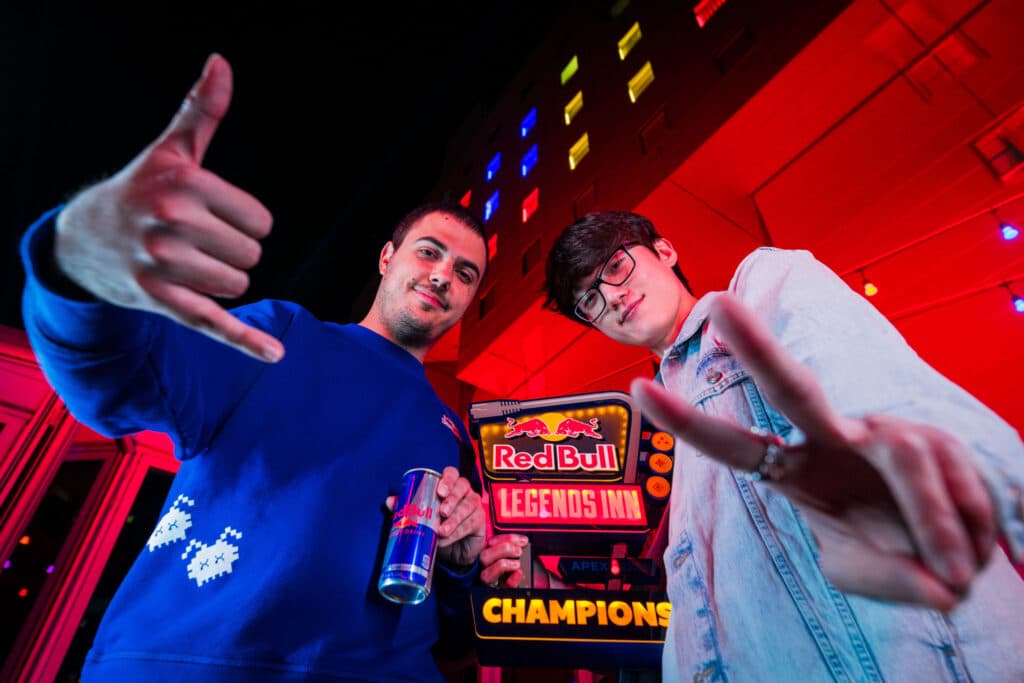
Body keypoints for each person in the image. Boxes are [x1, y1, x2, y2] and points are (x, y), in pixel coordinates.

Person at [20, 53, 489, 682]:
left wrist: (459, 563)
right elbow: (119, 380)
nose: (442, 275)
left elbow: (454, 633)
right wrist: (77, 272)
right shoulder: (286, 333)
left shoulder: (455, 432)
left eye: (465, 273)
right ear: (386, 258)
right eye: (429, 252)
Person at [485, 210, 1024, 681]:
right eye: (590, 301)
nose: (612, 297)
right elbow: (695, 623)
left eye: (616, 268)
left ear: (665, 250)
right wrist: (545, 583)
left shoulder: (755, 293)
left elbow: (881, 400)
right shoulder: (680, 450)